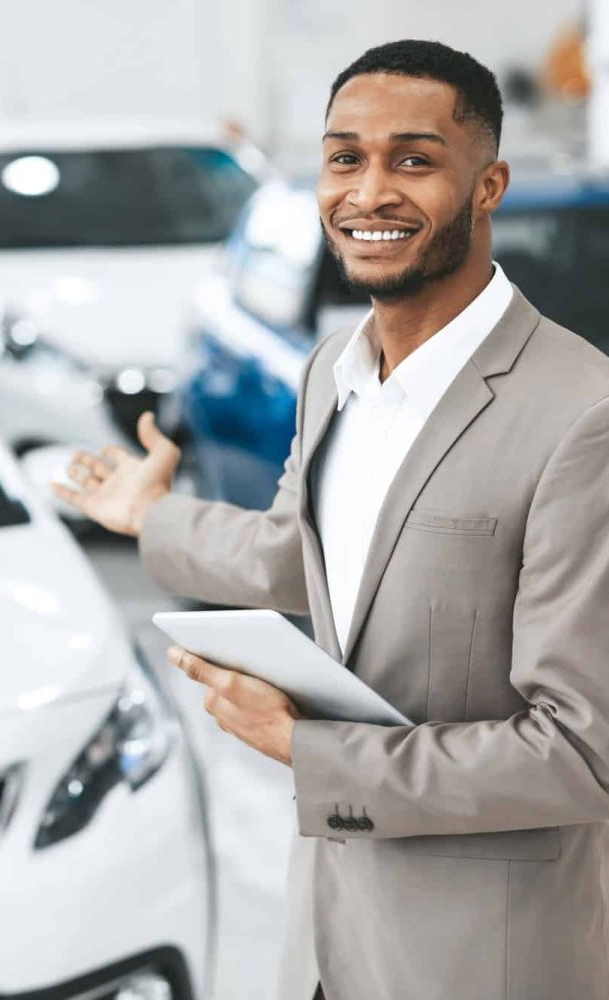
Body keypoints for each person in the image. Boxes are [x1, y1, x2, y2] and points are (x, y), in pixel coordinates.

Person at [54, 39, 609, 1000]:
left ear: (489, 185)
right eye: (345, 156)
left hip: (485, 960)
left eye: (415, 159)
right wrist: (149, 514)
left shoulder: (581, 416)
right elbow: (301, 555)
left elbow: (578, 755)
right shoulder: (332, 374)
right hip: (327, 938)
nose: (369, 191)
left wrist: (304, 750)